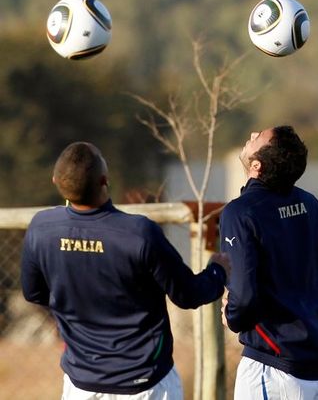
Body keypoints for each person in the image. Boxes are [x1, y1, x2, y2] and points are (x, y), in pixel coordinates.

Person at [21, 142, 230, 399]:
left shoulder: (41, 228)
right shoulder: (138, 233)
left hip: (81, 384)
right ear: (104, 180)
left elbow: (34, 293)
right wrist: (218, 271)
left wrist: (76, 308)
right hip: (145, 383)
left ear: (55, 181)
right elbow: (188, 295)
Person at [219, 126, 318, 399]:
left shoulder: (240, 212)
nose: (250, 135)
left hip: (274, 365)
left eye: (257, 137)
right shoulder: (312, 204)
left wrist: (232, 316)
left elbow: (244, 298)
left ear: (256, 165)